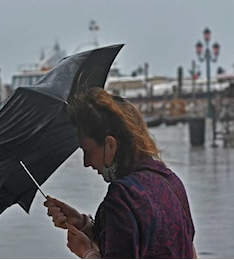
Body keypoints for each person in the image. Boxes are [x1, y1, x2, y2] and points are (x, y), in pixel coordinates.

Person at [43, 87, 196, 258]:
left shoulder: (122, 197)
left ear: (110, 145)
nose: (86, 163)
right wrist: (85, 226)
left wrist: (86, 251)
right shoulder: (170, 182)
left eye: (88, 151)